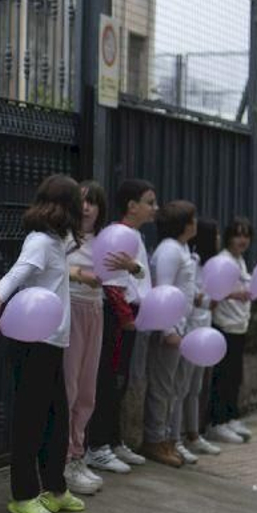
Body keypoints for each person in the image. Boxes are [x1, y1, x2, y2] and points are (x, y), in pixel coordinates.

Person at [0, 175, 85, 513]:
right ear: (68, 206)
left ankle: (55, 488)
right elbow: (16, 275)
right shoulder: (40, 242)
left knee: (56, 418)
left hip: (52, 342)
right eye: (78, 202)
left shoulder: (57, 240)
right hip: (33, 343)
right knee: (30, 421)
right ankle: (23, 495)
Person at [84, 179, 157, 475]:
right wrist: (126, 318)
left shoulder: (135, 236)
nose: (155, 208)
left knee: (121, 380)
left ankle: (114, 440)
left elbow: (136, 276)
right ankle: (97, 446)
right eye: (150, 202)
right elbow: (113, 283)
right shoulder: (119, 235)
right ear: (132, 206)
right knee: (109, 379)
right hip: (118, 317)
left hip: (131, 315)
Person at [142, 200, 200, 467]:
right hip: (169, 329)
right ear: (184, 224)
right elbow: (162, 290)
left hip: (181, 325)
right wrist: (168, 329)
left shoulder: (182, 248)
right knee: (162, 386)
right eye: (192, 219)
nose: (195, 223)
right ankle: (154, 440)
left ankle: (166, 437)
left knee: (174, 387)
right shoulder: (169, 250)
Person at [62, 181, 109, 496]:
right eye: (82, 201)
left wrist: (130, 266)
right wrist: (81, 275)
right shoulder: (64, 237)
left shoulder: (105, 241)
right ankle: (63, 459)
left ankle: (78, 454)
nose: (86, 207)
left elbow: (134, 273)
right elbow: (56, 267)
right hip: (71, 310)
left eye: (93, 202)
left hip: (95, 310)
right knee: (69, 387)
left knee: (87, 389)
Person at [205, 217, 254, 445]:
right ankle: (217, 422)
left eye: (246, 235)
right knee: (223, 377)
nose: (242, 240)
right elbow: (212, 292)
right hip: (224, 325)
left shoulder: (240, 260)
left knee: (235, 376)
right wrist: (234, 294)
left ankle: (231, 416)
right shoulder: (222, 261)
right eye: (237, 235)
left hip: (239, 325)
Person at [178, 218, 224, 456]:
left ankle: (194, 434)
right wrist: (209, 298)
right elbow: (194, 297)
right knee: (183, 386)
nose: (218, 239)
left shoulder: (210, 266)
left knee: (196, 387)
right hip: (191, 330)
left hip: (204, 329)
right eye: (215, 234)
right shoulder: (193, 262)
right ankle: (179, 437)